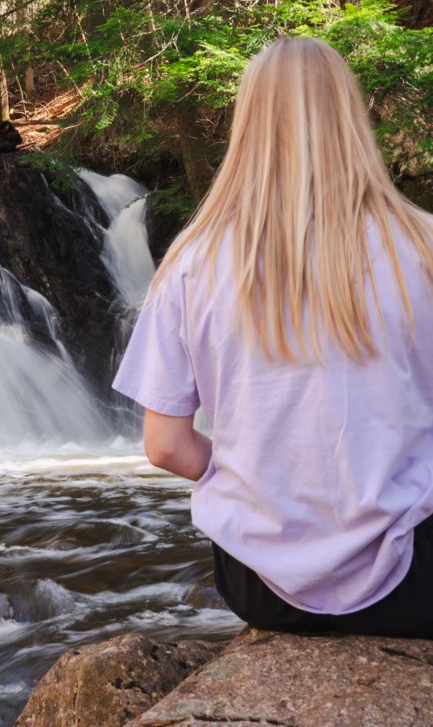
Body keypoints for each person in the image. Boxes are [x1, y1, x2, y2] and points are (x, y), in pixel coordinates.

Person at [112, 36, 433, 638]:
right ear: (351, 117)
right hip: (417, 574)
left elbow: (165, 447)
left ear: (248, 126)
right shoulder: (422, 246)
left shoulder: (191, 262)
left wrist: (258, 478)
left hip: (260, 585)